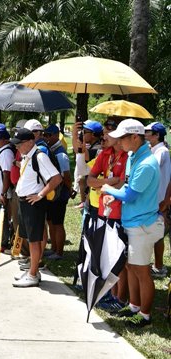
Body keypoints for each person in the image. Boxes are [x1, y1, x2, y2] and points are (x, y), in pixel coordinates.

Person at [102, 119, 163, 328]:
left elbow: (129, 195)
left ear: (135, 137)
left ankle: (145, 316)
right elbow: (128, 186)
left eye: (122, 138)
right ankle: (135, 306)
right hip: (134, 223)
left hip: (142, 225)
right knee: (132, 267)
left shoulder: (146, 164)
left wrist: (108, 190)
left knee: (141, 271)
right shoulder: (134, 157)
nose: (118, 142)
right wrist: (115, 196)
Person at [85, 118, 129, 312]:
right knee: (109, 254)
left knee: (121, 258)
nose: (103, 136)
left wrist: (106, 184)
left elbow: (124, 184)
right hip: (104, 212)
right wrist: (110, 181)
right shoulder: (105, 154)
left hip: (122, 213)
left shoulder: (128, 157)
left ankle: (121, 298)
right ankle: (111, 294)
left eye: (107, 132)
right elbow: (90, 181)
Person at [11, 128, 62, 287]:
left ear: (30, 142)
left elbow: (56, 178)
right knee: (30, 238)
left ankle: (33, 274)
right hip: (25, 202)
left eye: (19, 144)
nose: (17, 147)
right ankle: (33, 270)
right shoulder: (28, 155)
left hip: (34, 203)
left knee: (34, 240)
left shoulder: (40, 156)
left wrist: (40, 194)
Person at [144, 122, 171, 279]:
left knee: (158, 234)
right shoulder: (156, 150)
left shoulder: (161, 151)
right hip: (156, 199)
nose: (145, 134)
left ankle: (159, 267)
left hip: (158, 200)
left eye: (148, 132)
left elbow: (151, 167)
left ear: (156, 135)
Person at [43, 124, 72, 260]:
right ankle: (54, 248)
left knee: (58, 223)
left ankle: (59, 252)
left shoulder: (61, 153)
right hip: (52, 193)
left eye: (48, 135)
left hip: (60, 194)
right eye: (45, 134)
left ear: (56, 135)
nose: (46, 137)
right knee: (51, 221)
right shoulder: (51, 150)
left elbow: (66, 176)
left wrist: (69, 189)